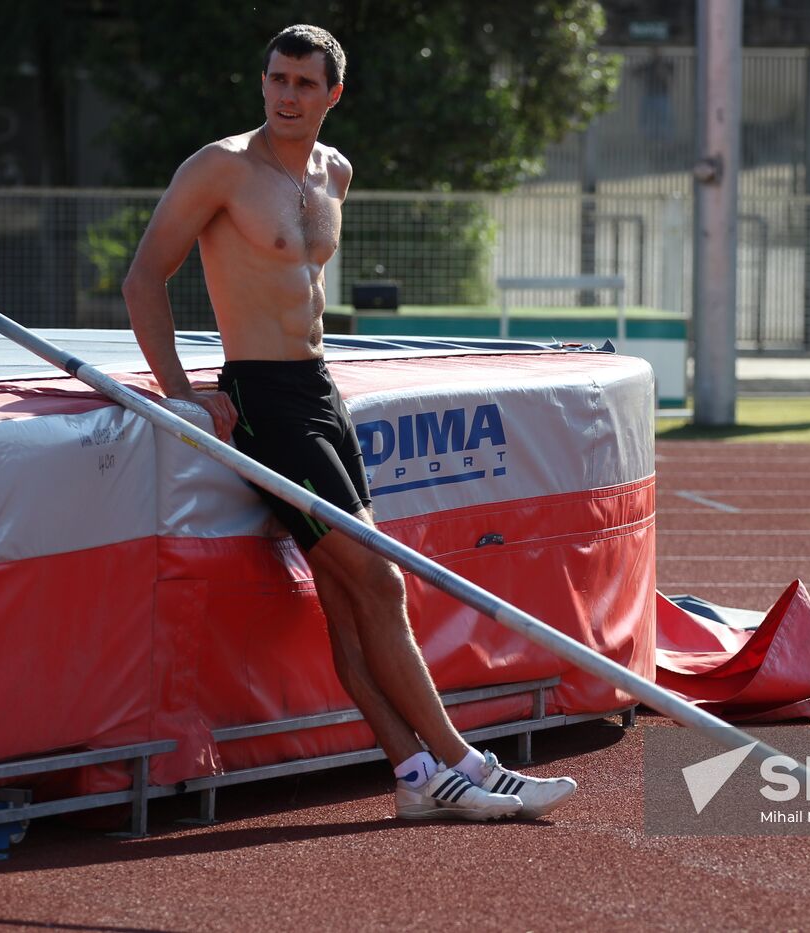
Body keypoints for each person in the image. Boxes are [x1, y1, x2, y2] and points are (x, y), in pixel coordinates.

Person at [123, 24, 576, 822]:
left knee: (350, 596)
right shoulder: (220, 168)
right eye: (277, 80)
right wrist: (180, 394)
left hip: (322, 394)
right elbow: (143, 280)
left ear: (333, 95)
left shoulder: (335, 170)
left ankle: (413, 776)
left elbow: (303, 286)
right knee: (381, 578)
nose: (288, 96)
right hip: (263, 404)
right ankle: (467, 763)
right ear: (262, 82)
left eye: (305, 84)